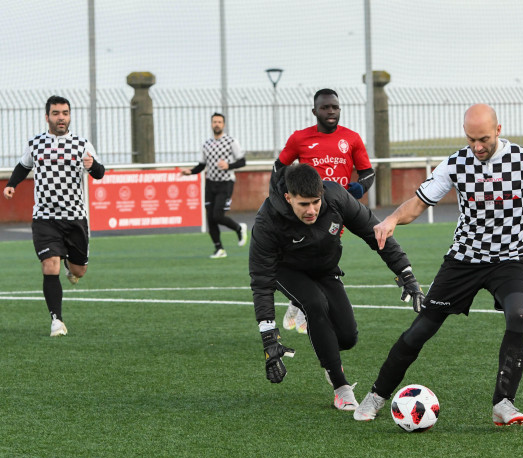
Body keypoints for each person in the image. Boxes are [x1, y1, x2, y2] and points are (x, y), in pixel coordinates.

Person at [353, 104, 523, 426]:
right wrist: (392, 219)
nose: (477, 147)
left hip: (510, 261)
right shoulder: (456, 163)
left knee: (518, 316)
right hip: (463, 260)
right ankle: (377, 395)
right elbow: (419, 202)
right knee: (421, 329)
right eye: (471, 139)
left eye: (484, 139)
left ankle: (503, 403)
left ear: (499, 130)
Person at [248, 163, 424, 411]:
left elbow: (374, 232)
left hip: (325, 268)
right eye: (303, 204)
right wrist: (269, 338)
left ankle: (322, 341)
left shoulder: (337, 197)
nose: (311, 210)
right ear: (288, 198)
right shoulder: (267, 220)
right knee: (314, 303)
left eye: (315, 202)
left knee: (347, 337)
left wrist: (406, 274)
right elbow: (261, 280)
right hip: (287, 271)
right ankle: (340, 386)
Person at [3, 95, 106, 337]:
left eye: (65, 113)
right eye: (56, 113)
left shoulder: (82, 144)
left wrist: (92, 166)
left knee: (79, 271)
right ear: (47, 116)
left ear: (69, 116)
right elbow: (23, 166)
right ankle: (56, 321)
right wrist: (11, 184)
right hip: (45, 217)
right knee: (50, 265)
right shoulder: (35, 143)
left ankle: (72, 266)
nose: (61, 117)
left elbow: (100, 173)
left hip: (74, 217)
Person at [277, 88, 376, 334]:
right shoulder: (300, 138)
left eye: (334, 107)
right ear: (315, 111)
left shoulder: (351, 139)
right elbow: (279, 167)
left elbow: (369, 172)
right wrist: (284, 197)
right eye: (325, 107)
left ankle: (297, 302)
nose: (331, 111)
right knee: (311, 253)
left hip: (336, 211)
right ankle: (303, 304)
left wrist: (358, 188)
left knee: (325, 255)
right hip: (308, 210)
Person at [181, 112, 247, 258]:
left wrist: (228, 165)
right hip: (210, 184)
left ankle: (238, 228)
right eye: (214, 122)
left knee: (218, 215)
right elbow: (201, 165)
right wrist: (190, 172)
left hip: (226, 183)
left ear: (223, 125)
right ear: (211, 124)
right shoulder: (206, 144)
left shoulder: (231, 141)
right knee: (210, 217)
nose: (216, 124)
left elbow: (242, 161)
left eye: (219, 122)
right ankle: (219, 249)